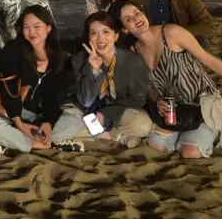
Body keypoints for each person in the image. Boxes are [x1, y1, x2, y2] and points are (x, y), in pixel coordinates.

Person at [109, 0, 222, 159]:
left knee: (189, 153)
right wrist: (157, 99)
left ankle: (211, 130)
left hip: (203, 106)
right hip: (175, 112)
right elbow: (148, 86)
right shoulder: (134, 50)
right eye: (128, 19)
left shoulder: (170, 33)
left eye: (137, 12)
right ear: (124, 29)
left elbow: (210, 60)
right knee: (155, 146)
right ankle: (185, 134)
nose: (136, 18)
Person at [51, 11, 153, 148]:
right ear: (88, 38)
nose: (100, 38)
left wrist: (107, 114)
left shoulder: (132, 61)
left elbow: (138, 99)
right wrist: (94, 71)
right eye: (94, 33)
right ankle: (118, 136)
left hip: (118, 112)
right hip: (86, 112)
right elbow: (85, 100)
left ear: (115, 36)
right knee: (55, 132)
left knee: (143, 125)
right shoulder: (79, 60)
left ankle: (99, 135)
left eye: (106, 32)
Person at [0, 5, 70, 155]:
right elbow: (8, 88)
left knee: (75, 120)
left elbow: (55, 96)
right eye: (26, 27)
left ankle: (15, 141)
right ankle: (33, 143)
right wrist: (19, 124)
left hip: (33, 115)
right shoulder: (13, 49)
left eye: (37, 26)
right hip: (7, 111)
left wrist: (48, 122)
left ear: (48, 28)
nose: (31, 32)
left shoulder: (58, 57)